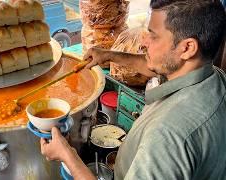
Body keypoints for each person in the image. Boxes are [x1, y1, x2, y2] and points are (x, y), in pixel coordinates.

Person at [40, 0, 226, 179]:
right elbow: (154, 64)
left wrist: (67, 155)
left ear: (187, 48)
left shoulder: (168, 135)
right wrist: (109, 55)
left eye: (153, 35)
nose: (143, 42)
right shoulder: (214, 77)